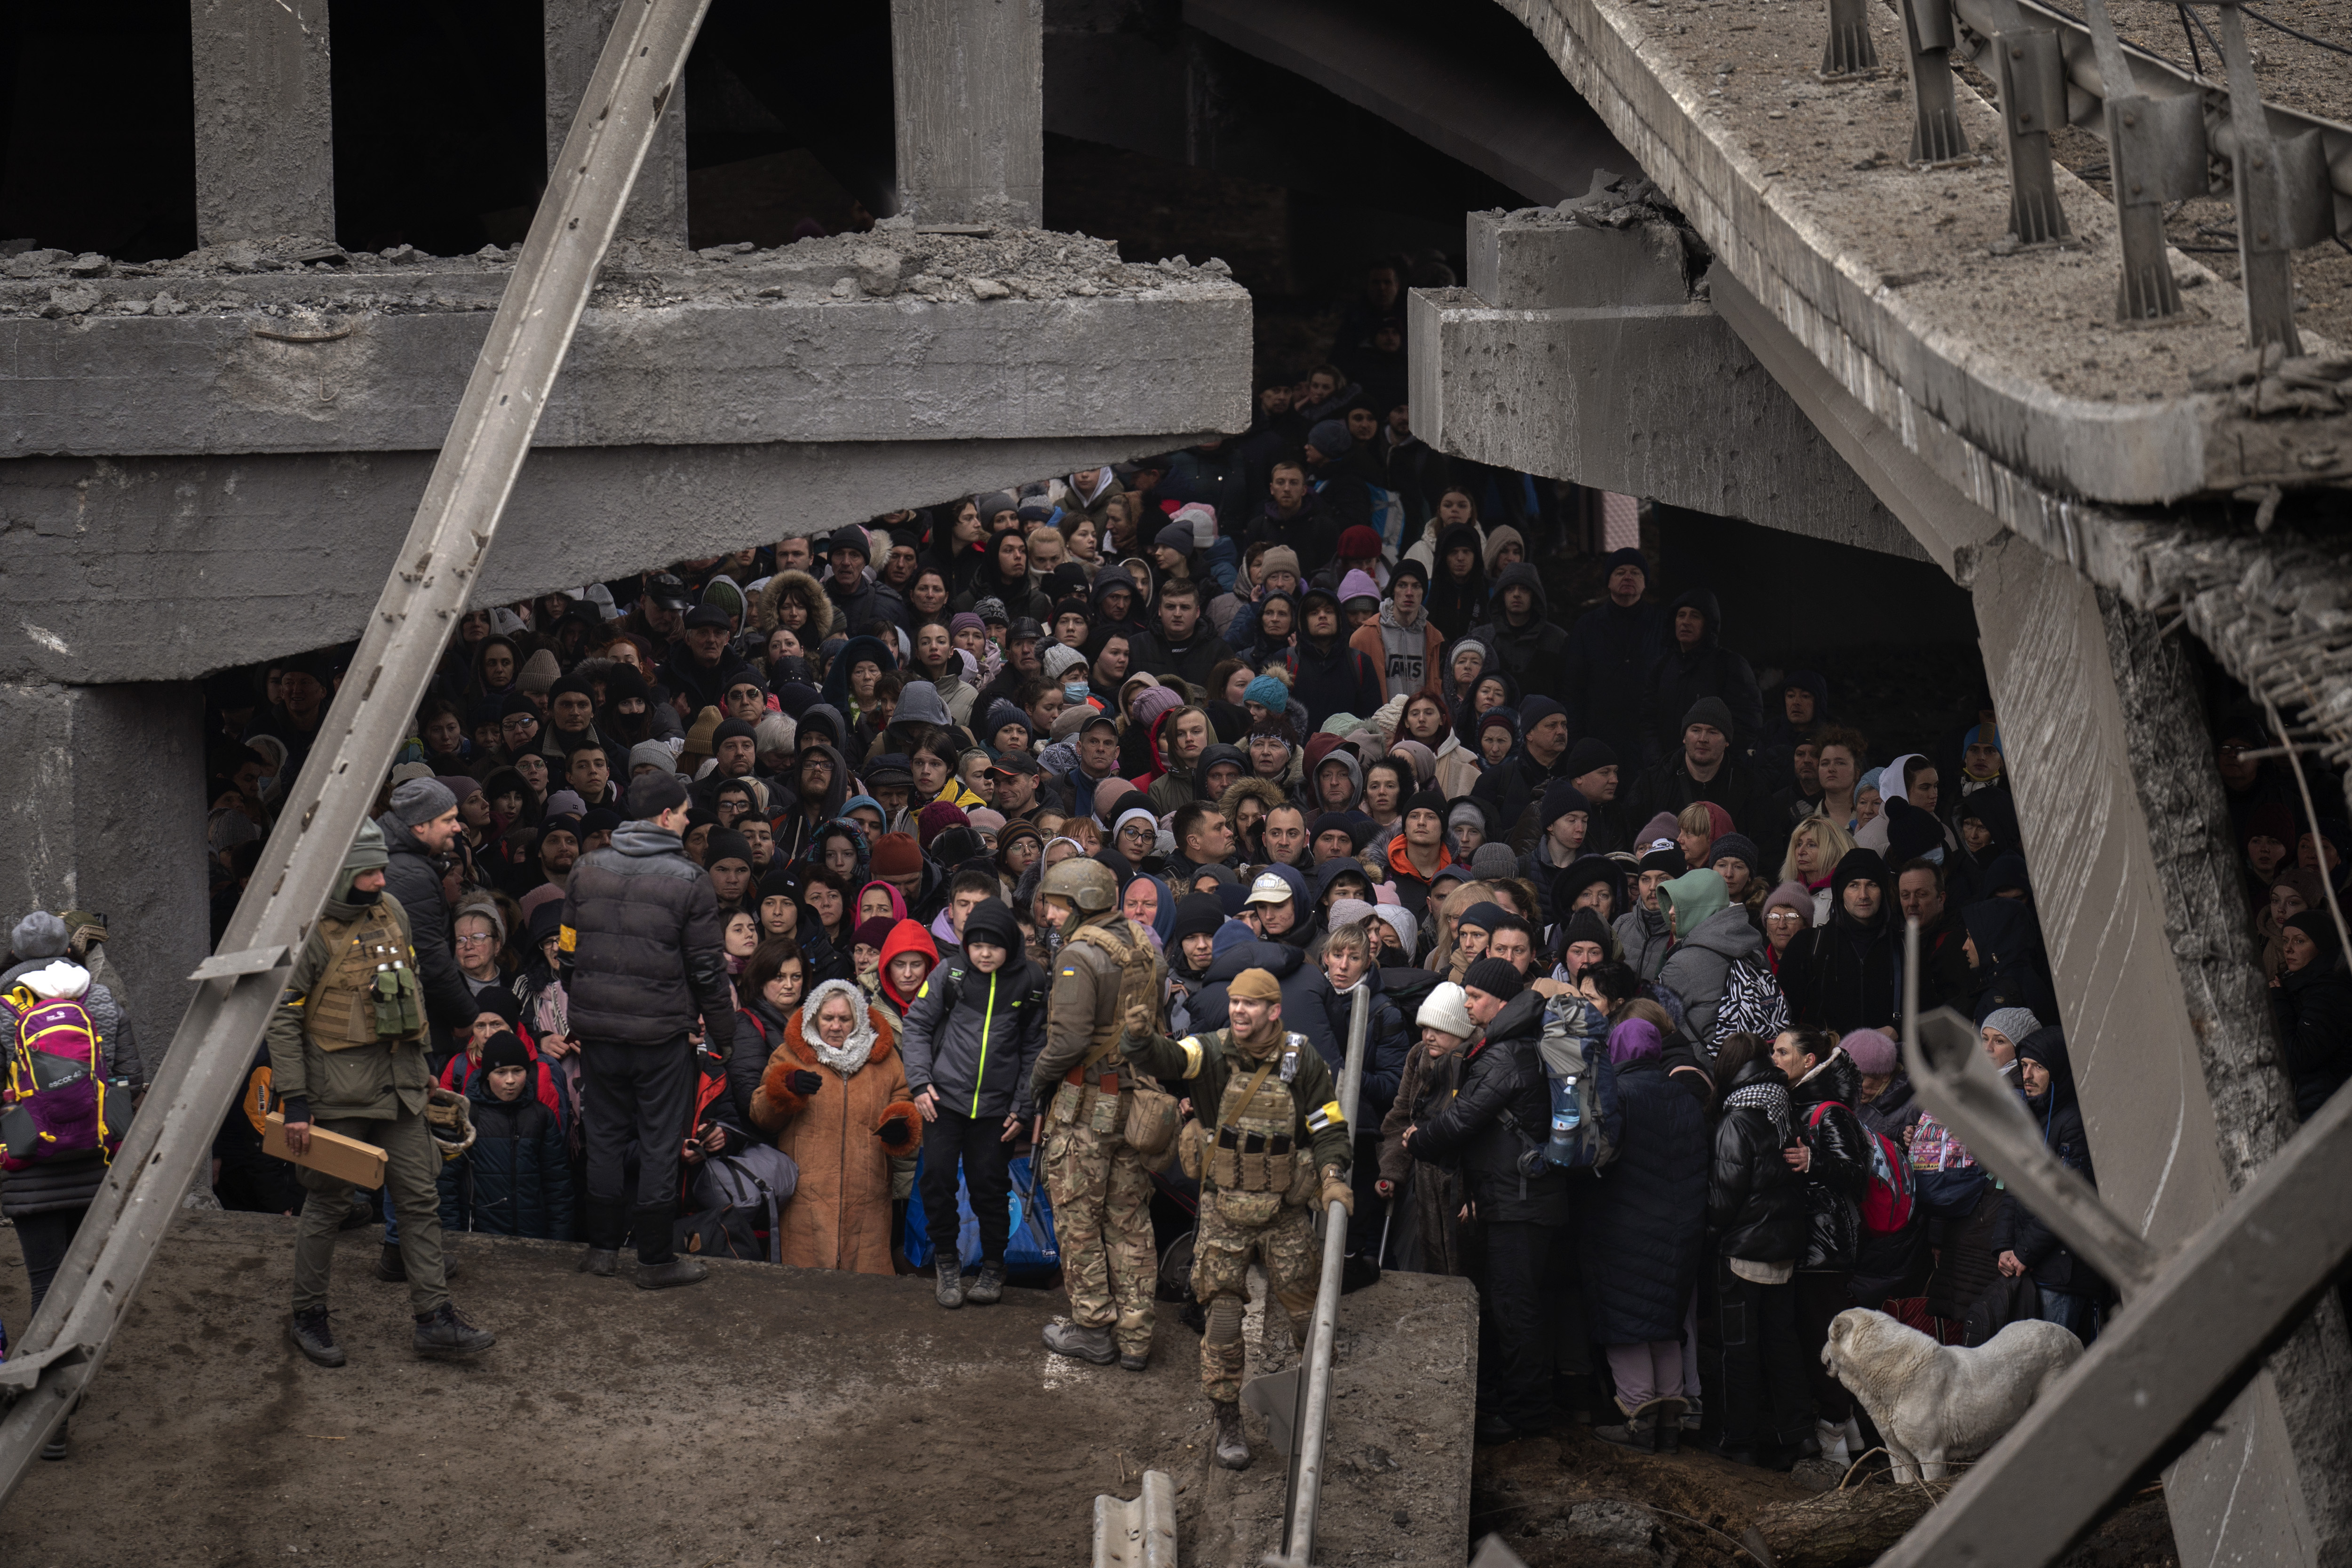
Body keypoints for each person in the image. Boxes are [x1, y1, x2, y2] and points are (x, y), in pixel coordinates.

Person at [273, 822, 495, 1367]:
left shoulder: (392, 910)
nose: (380, 880)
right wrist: (297, 1102)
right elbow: (282, 1015)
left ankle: (434, 1318)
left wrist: (421, 1067)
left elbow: (411, 988)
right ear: (345, 873)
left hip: (400, 1088)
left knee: (420, 1198)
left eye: (381, 870)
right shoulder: (311, 932)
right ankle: (308, 1315)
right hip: (338, 1096)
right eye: (369, 872)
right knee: (327, 1203)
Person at [1117, 965, 1353, 1467]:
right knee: (1221, 1321)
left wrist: (1332, 1174)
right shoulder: (1211, 1051)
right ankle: (1227, 1418)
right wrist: (1138, 1040)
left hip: (1285, 1212)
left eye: (1250, 1004)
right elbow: (1170, 1058)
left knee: (1308, 1320)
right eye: (1234, 1002)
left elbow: (1327, 1122)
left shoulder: (1302, 1059)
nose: (1238, 1011)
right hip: (1224, 1208)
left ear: (1274, 1011)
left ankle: (1312, 1409)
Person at [559, 769, 740, 1288]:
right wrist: (723, 1036)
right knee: (661, 1142)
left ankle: (600, 1251)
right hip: (661, 1036)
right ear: (665, 817)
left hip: (597, 1033)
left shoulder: (585, 869)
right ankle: (655, 1259)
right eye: (684, 813)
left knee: (604, 1135)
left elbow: (567, 953)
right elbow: (708, 971)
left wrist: (587, 997)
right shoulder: (688, 880)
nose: (687, 822)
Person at [1407, 958, 1569, 1443]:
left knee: (1514, 1307)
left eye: (1474, 997)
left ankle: (1526, 1415)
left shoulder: (1505, 1055)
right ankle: (1518, 1402)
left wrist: (1418, 1140)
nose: (1467, 1004)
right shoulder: (1513, 1045)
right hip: (1518, 1198)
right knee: (1514, 1303)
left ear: (1500, 1001)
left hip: (1519, 1203)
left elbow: (1462, 1120)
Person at [1028, 856, 1166, 1371]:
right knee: (1129, 1221)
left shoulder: (1078, 957)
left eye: (1057, 905)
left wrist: (1035, 1081)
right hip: (1134, 1105)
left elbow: (1066, 1042)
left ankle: (1092, 1328)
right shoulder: (1143, 946)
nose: (1050, 916)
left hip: (1085, 1108)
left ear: (1082, 903)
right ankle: (1135, 1337)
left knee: (1079, 1220)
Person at [900, 898, 1049, 1306]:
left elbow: (1035, 1048)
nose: (984, 953)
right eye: (976, 944)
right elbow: (916, 1026)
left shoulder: (1031, 981)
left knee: (990, 1186)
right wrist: (919, 1082)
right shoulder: (951, 972)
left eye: (994, 945)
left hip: (997, 1110)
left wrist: (1024, 1107)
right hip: (944, 1101)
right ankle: (946, 1261)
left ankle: (994, 1266)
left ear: (1011, 946)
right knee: (939, 1180)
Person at [1583, 1016, 1709, 1453]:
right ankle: (1670, 1423)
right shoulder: (1685, 1097)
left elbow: (1600, 1156)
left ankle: (1638, 1419)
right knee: (1665, 1324)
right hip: (1679, 1231)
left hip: (1624, 1227)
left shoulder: (1618, 1094)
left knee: (1628, 1323)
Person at [749, 978, 922, 1271]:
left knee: (867, 1298)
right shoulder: (790, 1055)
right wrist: (786, 1087)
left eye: (845, 1019)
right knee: (801, 1290)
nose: (836, 1026)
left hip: (868, 1194)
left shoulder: (886, 1059)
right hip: (805, 1196)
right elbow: (760, 1116)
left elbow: (904, 1101)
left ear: (858, 1020)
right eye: (828, 1018)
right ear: (815, 1016)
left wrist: (900, 1127)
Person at [1704, 1031, 1813, 1467]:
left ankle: (1740, 1440)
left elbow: (1724, 1195)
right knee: (1782, 1344)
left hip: (1745, 1250)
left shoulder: (1738, 1118)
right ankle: (1799, 1436)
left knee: (1740, 1348)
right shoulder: (1784, 1107)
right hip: (1784, 1247)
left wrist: (1710, 1231)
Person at [1773, 1026, 1870, 1464]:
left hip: (1826, 1247)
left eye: (1782, 1051)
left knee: (1824, 1340)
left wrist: (1814, 1162)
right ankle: (1847, 1430)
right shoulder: (1802, 1103)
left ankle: (1834, 1426)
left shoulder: (1828, 1112)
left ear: (1809, 1060)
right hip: (1814, 1243)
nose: (1773, 1058)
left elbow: (1855, 1174)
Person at [1992, 1026, 2106, 1343]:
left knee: (2055, 1364)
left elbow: (2068, 1200)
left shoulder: (2073, 1123)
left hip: (2063, 1274)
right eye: (2024, 1065)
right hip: (2033, 1266)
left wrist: (2023, 1251)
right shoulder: (2034, 1118)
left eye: (2038, 1067)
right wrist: (2003, 1245)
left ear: (2058, 1070)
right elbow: (2016, 1187)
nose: (2027, 1075)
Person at [438, 1031, 573, 1240]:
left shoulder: (541, 1117)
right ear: (487, 1075)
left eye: (517, 1071)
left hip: (533, 1237)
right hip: (479, 1236)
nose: (510, 1081)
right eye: (501, 1072)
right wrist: (453, 1236)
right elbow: (447, 1183)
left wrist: (559, 1240)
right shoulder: (468, 1116)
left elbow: (558, 1185)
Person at [2271, 909, 2352, 1117]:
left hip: (2322, 1108)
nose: (2288, 949)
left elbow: (2299, 1056)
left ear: (2321, 946)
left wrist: (2278, 1001)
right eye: (2285, 940)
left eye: (2299, 941)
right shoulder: (2304, 982)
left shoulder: (2329, 991)